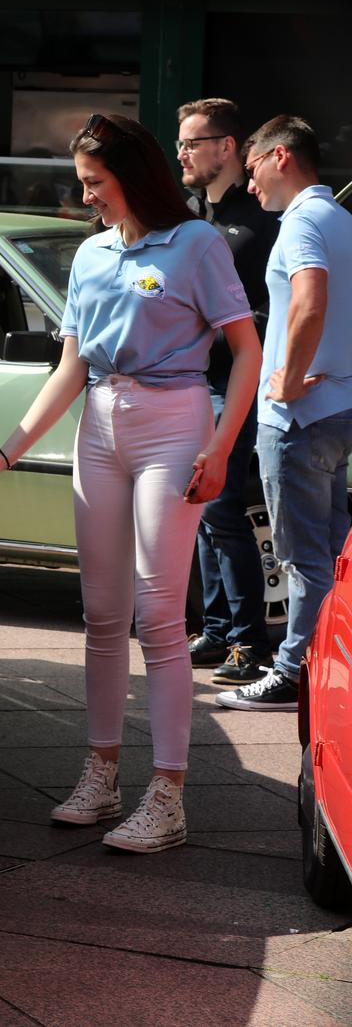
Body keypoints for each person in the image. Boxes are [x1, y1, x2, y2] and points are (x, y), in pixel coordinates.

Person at [0, 112, 262, 854]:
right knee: (100, 613)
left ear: (133, 176)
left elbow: (247, 351)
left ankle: (169, 793)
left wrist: (219, 446)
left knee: (157, 617)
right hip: (102, 424)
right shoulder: (90, 255)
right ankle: (101, 773)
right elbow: (71, 368)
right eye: (82, 184)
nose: (85, 196)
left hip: (175, 423)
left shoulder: (197, 243)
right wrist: (5, 453)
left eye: (95, 183)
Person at [217, 116, 352, 713]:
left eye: (251, 171)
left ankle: (294, 672)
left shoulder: (299, 221)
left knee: (303, 556)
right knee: (328, 550)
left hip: (299, 418)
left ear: (279, 157)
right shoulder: (340, 219)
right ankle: (325, 668)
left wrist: (289, 379)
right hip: (336, 408)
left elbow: (310, 297)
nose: (249, 187)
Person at [174, 98, 281, 687]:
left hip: (230, 381)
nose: (183, 153)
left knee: (221, 504)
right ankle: (217, 629)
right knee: (199, 505)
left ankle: (248, 641)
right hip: (182, 381)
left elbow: (272, 312)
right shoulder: (182, 212)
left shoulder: (262, 221)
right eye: (181, 143)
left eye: (193, 142)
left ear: (227, 146)